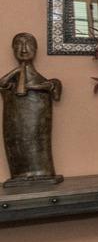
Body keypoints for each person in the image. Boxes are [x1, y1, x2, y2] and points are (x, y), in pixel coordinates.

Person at [2, 32, 63, 188]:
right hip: (14, 125)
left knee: (38, 145)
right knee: (17, 146)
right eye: (18, 45)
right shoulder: (11, 83)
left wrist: (35, 86)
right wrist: (17, 70)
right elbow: (2, 84)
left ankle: (42, 172)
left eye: (28, 44)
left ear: (35, 49)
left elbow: (55, 92)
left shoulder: (48, 82)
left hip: (37, 125)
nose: (23, 49)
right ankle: (20, 175)